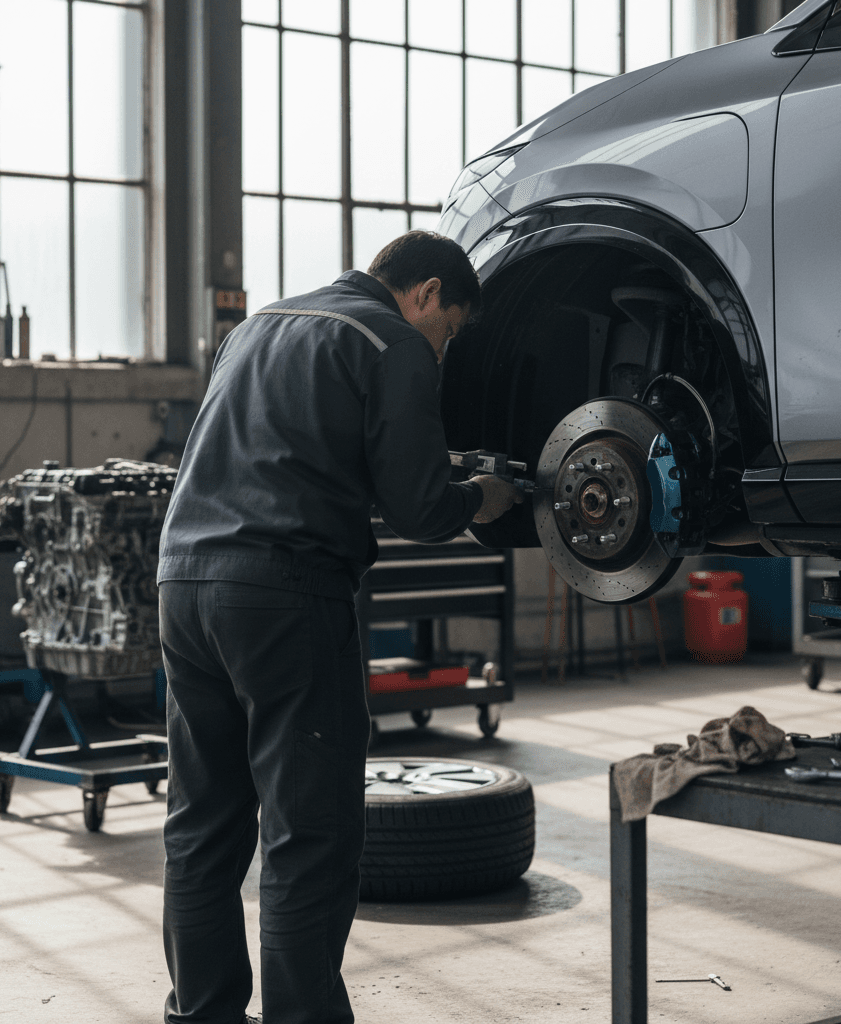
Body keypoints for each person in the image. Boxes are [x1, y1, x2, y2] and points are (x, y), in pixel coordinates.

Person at [156, 230, 522, 1024]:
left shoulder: (257, 326)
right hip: (285, 595)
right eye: (450, 329)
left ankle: (202, 1013)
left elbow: (292, 448)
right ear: (425, 293)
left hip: (183, 585)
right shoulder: (391, 340)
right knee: (309, 834)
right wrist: (482, 496)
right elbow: (421, 510)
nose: (444, 347)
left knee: (202, 827)